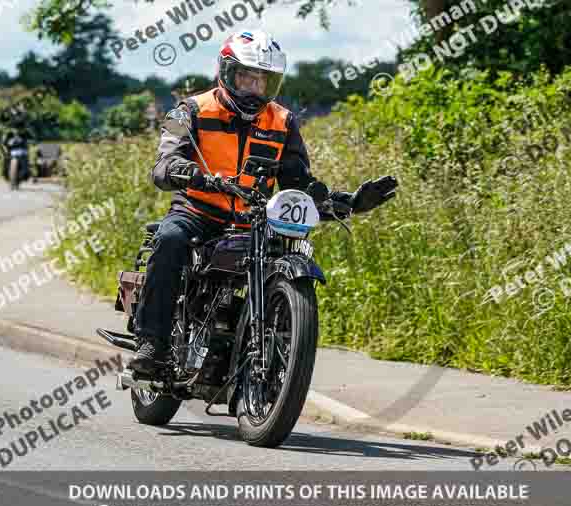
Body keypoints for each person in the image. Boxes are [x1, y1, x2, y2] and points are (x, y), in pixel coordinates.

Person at [128, 30, 398, 374]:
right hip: (197, 211)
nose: (255, 89)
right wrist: (189, 173)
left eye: (263, 81)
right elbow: (162, 165)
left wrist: (349, 203)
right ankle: (152, 343)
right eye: (247, 77)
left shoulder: (283, 121)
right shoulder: (188, 110)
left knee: (283, 256)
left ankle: (267, 347)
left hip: (254, 218)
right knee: (169, 240)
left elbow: (297, 184)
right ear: (227, 72)